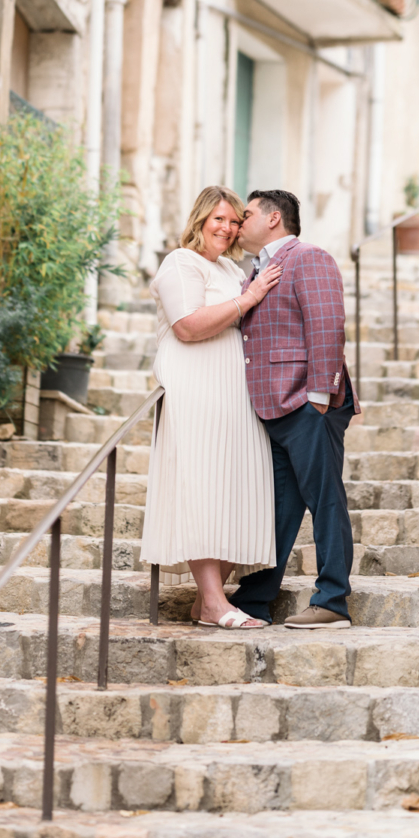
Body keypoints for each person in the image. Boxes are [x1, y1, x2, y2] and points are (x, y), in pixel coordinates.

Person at [140, 186, 282, 630]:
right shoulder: (181, 262)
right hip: (196, 390)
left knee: (231, 492)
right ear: (200, 220)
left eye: (234, 220)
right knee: (201, 490)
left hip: (234, 395)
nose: (227, 227)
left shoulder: (227, 266)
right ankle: (216, 604)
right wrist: (249, 297)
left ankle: (207, 602)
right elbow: (187, 326)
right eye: (217, 219)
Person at [229, 188, 359, 629]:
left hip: (307, 403)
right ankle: (256, 598)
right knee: (281, 505)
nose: (236, 223)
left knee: (325, 500)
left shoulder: (309, 257)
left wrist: (320, 395)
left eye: (245, 215)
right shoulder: (256, 271)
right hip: (273, 406)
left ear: (273, 218)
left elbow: (327, 323)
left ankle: (333, 601)